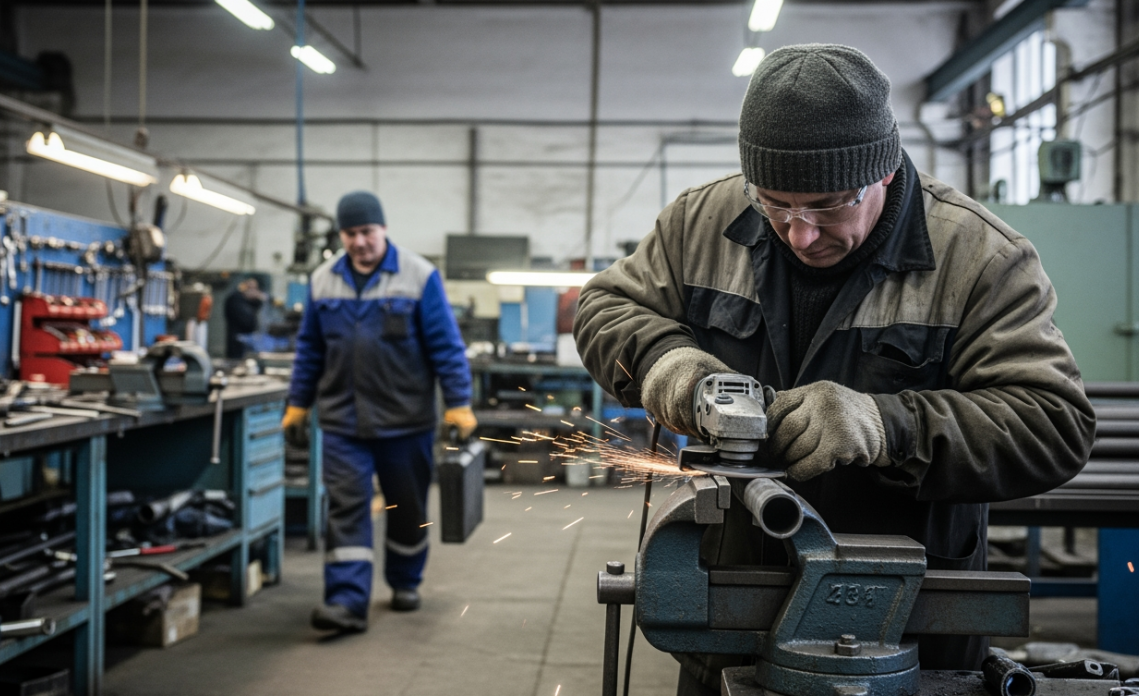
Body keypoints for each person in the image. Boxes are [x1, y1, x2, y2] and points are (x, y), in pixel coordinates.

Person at [572, 44, 1096, 692]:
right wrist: (667, 364)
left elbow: (1053, 423)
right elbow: (606, 304)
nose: (799, 232)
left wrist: (888, 425)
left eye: (828, 205)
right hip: (732, 609)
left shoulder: (980, 258)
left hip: (906, 629)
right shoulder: (700, 223)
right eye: (775, 203)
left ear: (882, 173)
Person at [284, 190, 477, 634]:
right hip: (341, 421)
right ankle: (347, 602)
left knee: (405, 507)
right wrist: (298, 404)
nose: (359, 242)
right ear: (341, 235)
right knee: (346, 507)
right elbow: (309, 349)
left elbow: (446, 348)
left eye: (366, 232)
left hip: (405, 420)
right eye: (350, 234)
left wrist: (460, 405)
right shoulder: (322, 280)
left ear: (383, 229)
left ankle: (406, 580)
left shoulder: (418, 276)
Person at [223, 277, 267, 359]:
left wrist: (258, 300)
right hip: (237, 343)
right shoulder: (235, 299)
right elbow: (247, 321)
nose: (253, 291)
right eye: (250, 288)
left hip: (246, 342)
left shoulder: (247, 302)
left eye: (255, 288)